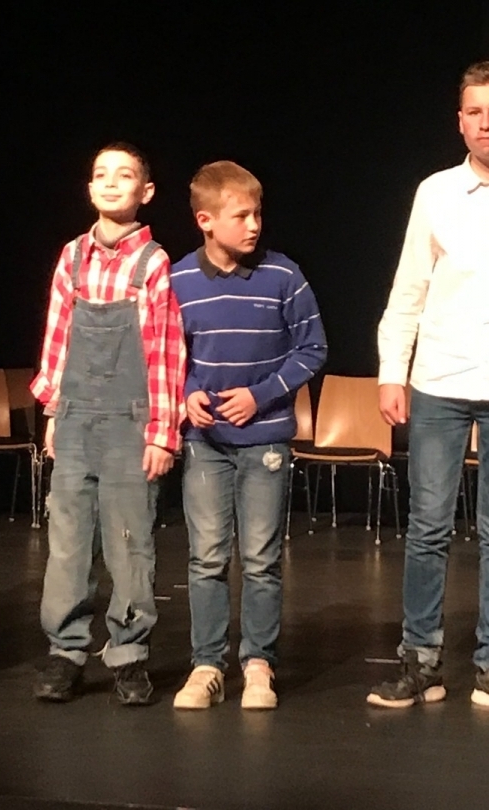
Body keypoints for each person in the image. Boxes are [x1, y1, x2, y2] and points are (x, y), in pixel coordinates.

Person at [30, 142, 186, 705]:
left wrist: (162, 431)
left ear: (146, 191)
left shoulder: (153, 263)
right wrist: (54, 412)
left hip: (130, 422)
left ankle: (128, 654)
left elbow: (166, 352)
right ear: (90, 187)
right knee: (68, 542)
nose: (111, 182)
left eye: (125, 175)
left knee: (129, 543)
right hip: (76, 420)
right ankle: (65, 651)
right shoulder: (72, 258)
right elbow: (57, 340)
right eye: (101, 174)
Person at [170, 161, 327, 709]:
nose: (254, 224)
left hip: (265, 440)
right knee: (207, 558)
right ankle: (207, 665)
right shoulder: (179, 280)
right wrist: (187, 391)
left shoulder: (283, 275)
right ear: (206, 221)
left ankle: (258, 664)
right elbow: (171, 353)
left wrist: (260, 396)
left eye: (257, 213)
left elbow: (313, 349)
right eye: (241, 215)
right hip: (206, 443)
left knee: (260, 558)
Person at [368, 61, 489, 709]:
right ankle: (420, 660)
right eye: (475, 111)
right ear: (460, 121)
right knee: (428, 527)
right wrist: (393, 371)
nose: (486, 123)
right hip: (440, 379)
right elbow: (409, 287)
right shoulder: (436, 192)